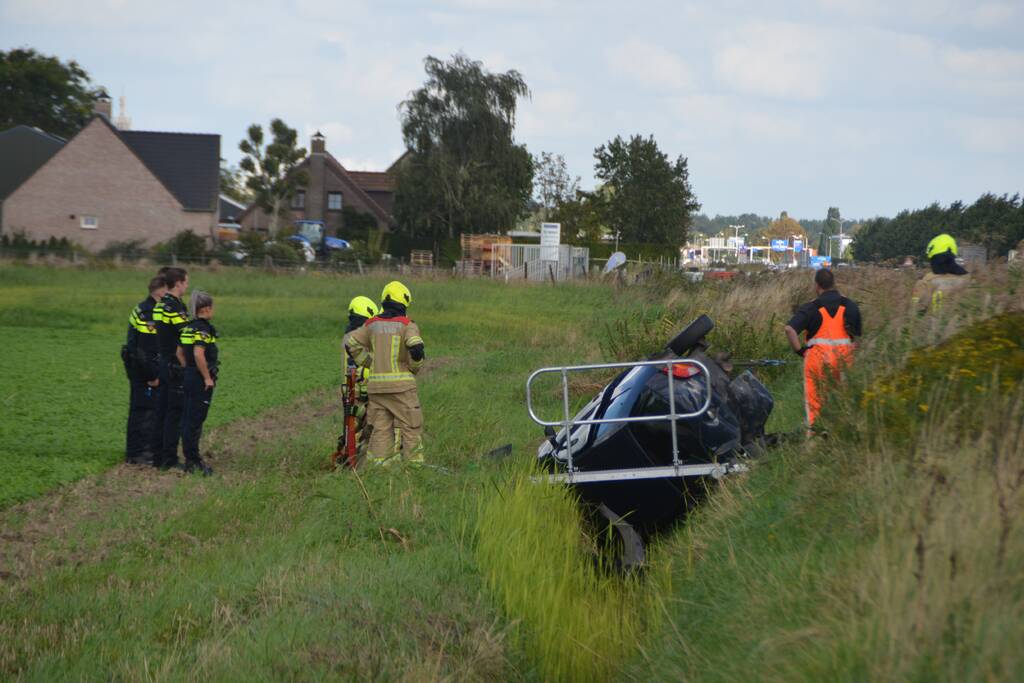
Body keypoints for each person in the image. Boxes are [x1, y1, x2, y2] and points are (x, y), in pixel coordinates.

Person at [345, 281, 426, 464]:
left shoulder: (371, 325)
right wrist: (415, 367)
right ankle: (415, 469)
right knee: (410, 428)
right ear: (404, 302)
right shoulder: (407, 324)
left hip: (377, 390)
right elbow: (416, 347)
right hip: (401, 389)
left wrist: (369, 364)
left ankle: (381, 470)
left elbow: (351, 344)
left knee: (381, 430)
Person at [783, 268, 861, 428]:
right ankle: (841, 434)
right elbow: (857, 337)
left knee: (814, 404)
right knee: (842, 401)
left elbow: (789, 329)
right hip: (843, 361)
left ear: (817, 285)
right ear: (834, 283)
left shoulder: (811, 307)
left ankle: (815, 437)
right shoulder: (850, 306)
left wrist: (800, 351)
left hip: (817, 361)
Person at [122, 275, 167, 465]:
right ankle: (139, 453)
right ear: (162, 290)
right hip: (143, 370)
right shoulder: (149, 313)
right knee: (145, 411)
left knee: (139, 410)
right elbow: (147, 349)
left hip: (136, 366)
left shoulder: (141, 307)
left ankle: (137, 451)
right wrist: (152, 375)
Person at [152, 267, 189, 470]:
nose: (187, 286)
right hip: (175, 366)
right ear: (178, 283)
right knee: (174, 413)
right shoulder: (175, 307)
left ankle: (158, 457)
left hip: (163, 363)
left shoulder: (160, 305)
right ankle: (170, 459)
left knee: (162, 412)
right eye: (186, 282)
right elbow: (185, 337)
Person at [179, 291, 218, 476]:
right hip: (199, 380)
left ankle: (189, 459)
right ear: (207, 308)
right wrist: (206, 377)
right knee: (195, 421)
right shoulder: (203, 328)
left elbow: (179, 352)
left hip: (188, 377)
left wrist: (188, 370)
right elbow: (198, 353)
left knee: (187, 419)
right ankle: (193, 461)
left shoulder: (188, 327)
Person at [342, 296, 380, 457]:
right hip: (362, 394)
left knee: (351, 430)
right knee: (367, 430)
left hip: (351, 393)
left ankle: (348, 456)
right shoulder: (360, 337)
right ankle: (357, 460)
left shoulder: (349, 336)